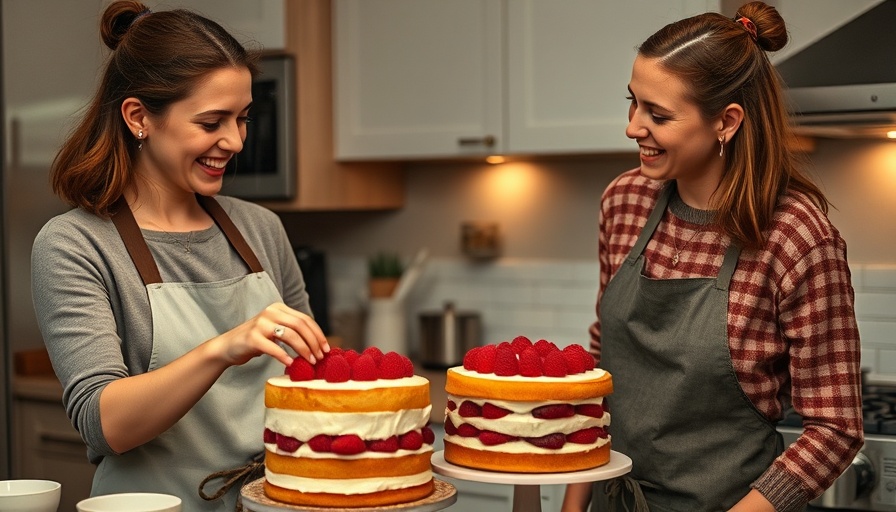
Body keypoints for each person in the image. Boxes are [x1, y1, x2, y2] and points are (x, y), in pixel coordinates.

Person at [562, 2, 862, 511]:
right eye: (632, 103)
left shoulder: (795, 238)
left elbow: (835, 427)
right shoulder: (625, 201)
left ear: (726, 122)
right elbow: (602, 370)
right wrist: (574, 506)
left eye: (658, 114)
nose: (633, 127)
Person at [30, 2, 328, 510]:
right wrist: (224, 347)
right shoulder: (75, 245)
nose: (234, 141)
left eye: (242, 118)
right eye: (212, 121)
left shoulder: (261, 229)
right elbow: (106, 425)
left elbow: (311, 382)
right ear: (139, 116)